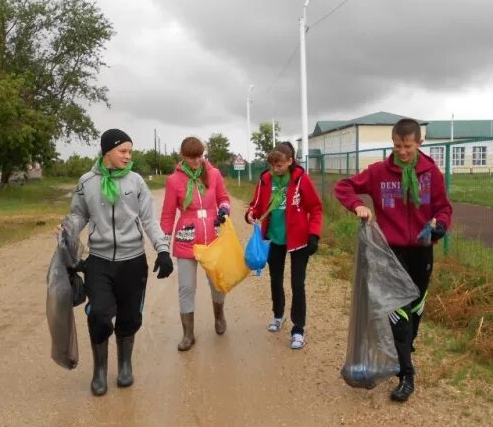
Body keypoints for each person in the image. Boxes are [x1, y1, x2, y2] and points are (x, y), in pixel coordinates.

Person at [334, 118, 452, 402]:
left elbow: (443, 207)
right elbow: (343, 187)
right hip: (390, 254)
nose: (402, 152)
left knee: (416, 311)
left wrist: (441, 225)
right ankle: (406, 376)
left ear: (419, 143)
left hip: (422, 251)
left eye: (408, 146)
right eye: (398, 146)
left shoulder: (431, 173)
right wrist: (359, 205)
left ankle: (403, 351)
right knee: (398, 316)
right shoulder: (379, 173)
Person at [68, 128, 173, 396]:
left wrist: (162, 250)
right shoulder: (87, 182)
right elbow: (78, 215)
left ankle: (125, 364)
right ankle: (100, 370)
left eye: (130, 152)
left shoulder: (136, 181)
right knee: (100, 314)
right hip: (99, 262)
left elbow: (149, 219)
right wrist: (68, 238)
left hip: (132, 261)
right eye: (123, 151)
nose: (128, 156)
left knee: (129, 317)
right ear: (107, 152)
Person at [245, 142, 323, 350]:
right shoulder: (265, 180)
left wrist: (314, 235)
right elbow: (256, 205)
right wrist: (250, 214)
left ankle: (298, 328)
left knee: (298, 284)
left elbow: (316, 208)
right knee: (275, 280)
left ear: (290, 161)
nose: (275, 169)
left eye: (279, 165)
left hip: (299, 241)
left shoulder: (300, 180)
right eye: (272, 165)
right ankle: (278, 315)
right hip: (274, 238)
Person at [160, 137, 232, 351]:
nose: (197, 161)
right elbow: (167, 215)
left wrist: (224, 211)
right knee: (186, 287)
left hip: (212, 236)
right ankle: (188, 334)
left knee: (217, 283)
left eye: (200, 156)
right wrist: (163, 245)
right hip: (186, 238)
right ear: (183, 156)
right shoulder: (174, 181)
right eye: (192, 158)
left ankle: (219, 316)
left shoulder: (214, 174)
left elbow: (224, 198)